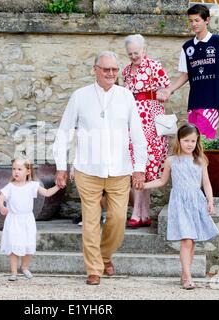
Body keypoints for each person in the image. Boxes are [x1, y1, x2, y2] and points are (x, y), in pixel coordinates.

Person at [53, 51, 148, 285]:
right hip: (87, 169)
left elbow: (137, 134)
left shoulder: (126, 96)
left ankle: (105, 255)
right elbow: (64, 131)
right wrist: (60, 166)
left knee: (117, 219)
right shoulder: (80, 96)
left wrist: (139, 167)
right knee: (91, 219)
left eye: (115, 70)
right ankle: (93, 268)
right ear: (95, 69)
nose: (111, 74)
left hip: (119, 170)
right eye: (106, 69)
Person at [144, 124, 219, 289]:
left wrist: (210, 202)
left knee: (191, 241)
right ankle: (187, 277)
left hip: (196, 202)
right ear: (179, 140)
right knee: (186, 240)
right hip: (180, 203)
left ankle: (185, 274)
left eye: (193, 140)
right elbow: (162, 181)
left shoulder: (200, 160)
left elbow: (206, 183)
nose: (190, 144)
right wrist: (143, 185)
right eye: (186, 140)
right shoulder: (171, 161)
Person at [158, 4, 219, 139]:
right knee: (193, 142)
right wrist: (169, 89)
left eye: (197, 20)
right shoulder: (187, 46)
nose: (193, 24)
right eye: (191, 21)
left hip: (212, 101)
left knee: (203, 140)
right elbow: (185, 74)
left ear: (207, 20)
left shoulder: (218, 41)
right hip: (194, 102)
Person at [122, 34, 171, 228]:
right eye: (130, 53)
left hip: (151, 118)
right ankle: (142, 214)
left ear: (144, 49)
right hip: (133, 119)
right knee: (137, 163)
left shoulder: (154, 66)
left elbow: (167, 88)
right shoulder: (126, 71)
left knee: (148, 165)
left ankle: (139, 213)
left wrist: (161, 94)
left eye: (137, 52)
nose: (134, 56)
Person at [0, 158, 62, 281]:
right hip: (14, 220)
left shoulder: (32, 185)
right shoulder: (10, 186)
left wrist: (58, 186)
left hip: (27, 220)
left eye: (19, 169)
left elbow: (47, 193)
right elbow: (1, 198)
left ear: (28, 171)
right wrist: (1, 206)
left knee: (28, 245)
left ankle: (25, 267)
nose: (16, 171)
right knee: (14, 246)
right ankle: (14, 272)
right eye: (14, 169)